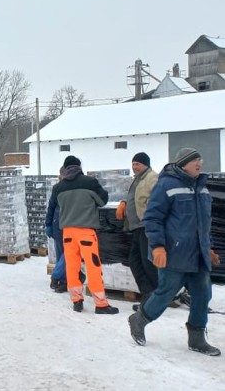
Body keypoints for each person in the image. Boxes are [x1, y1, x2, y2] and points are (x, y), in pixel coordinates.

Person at [128, 148, 221, 356]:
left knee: (203, 294)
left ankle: (196, 338)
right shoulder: (166, 185)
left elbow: (204, 224)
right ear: (184, 163)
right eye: (195, 160)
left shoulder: (201, 188)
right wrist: (158, 246)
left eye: (200, 159)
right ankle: (139, 319)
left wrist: (209, 248)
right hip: (174, 253)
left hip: (198, 255)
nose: (199, 163)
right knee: (165, 293)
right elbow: (152, 218)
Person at [48, 155, 118, 314]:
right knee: (93, 267)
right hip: (86, 232)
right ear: (79, 167)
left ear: (65, 168)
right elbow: (103, 200)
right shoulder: (90, 182)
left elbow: (55, 206)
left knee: (72, 267)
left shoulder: (58, 187)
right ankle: (100, 304)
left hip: (67, 233)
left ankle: (77, 301)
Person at [115, 152, 158, 310]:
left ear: (145, 164)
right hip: (135, 227)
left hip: (146, 226)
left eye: (137, 164)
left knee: (147, 263)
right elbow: (133, 196)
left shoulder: (152, 178)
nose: (134, 167)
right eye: (133, 164)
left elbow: (156, 201)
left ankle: (156, 298)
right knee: (134, 261)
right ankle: (148, 294)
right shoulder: (137, 179)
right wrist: (124, 202)